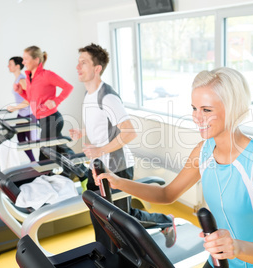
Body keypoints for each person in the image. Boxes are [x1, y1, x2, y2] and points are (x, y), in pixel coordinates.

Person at [95, 67, 253, 267]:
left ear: (232, 109)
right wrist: (118, 182)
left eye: (206, 110)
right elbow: (167, 194)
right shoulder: (203, 152)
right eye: (194, 108)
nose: (197, 117)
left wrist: (236, 247)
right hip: (219, 261)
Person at [70, 43, 176, 249]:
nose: (78, 66)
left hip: (116, 167)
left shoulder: (107, 96)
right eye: (78, 62)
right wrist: (83, 133)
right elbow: (100, 123)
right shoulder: (88, 94)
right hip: (99, 166)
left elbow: (129, 132)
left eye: (83, 62)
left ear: (97, 68)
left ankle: (165, 221)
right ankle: (106, 255)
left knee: (120, 218)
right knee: (99, 215)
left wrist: (100, 149)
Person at [14, 46, 73, 160]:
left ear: (36, 60)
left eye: (26, 59)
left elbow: (68, 87)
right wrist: (20, 92)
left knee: (44, 154)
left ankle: (45, 175)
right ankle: (81, 171)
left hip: (52, 119)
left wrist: (56, 101)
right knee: (61, 149)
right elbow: (32, 99)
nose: (23, 62)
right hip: (42, 120)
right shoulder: (29, 77)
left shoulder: (47, 75)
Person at [7, 56, 36, 162]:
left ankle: (39, 163)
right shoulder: (17, 79)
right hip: (21, 114)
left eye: (10, 64)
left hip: (28, 114)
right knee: (21, 140)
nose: (8, 66)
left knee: (34, 141)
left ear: (17, 66)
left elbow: (29, 100)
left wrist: (14, 108)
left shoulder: (22, 80)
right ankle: (33, 162)